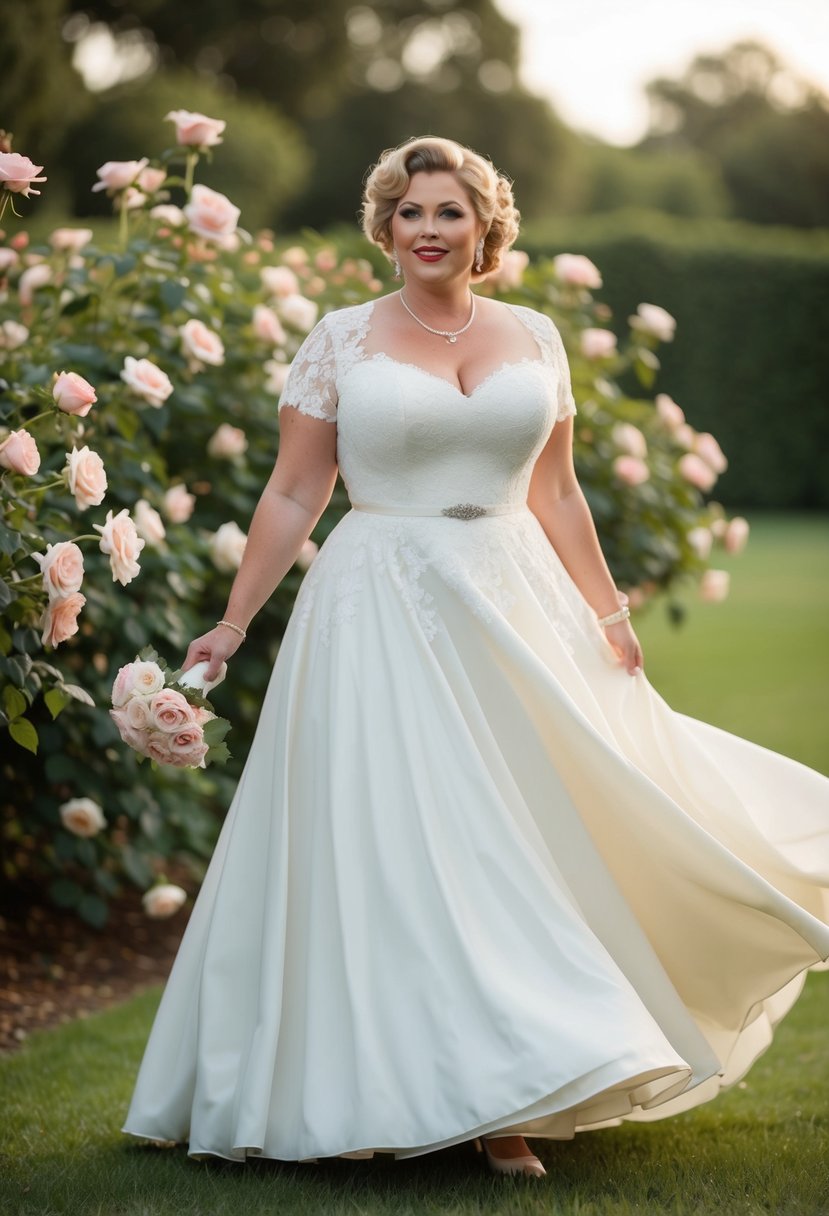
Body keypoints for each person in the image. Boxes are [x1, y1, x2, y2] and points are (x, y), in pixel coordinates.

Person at [122, 135, 829, 1179]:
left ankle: (520, 1074)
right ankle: (474, 1097)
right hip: (377, 604)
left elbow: (555, 492)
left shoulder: (535, 334)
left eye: (448, 212)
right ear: (384, 226)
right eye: (410, 212)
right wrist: (231, 622)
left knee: (535, 827)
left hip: (513, 600)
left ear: (484, 229)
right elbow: (291, 491)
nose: (427, 230)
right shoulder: (339, 340)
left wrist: (608, 609)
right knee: (413, 836)